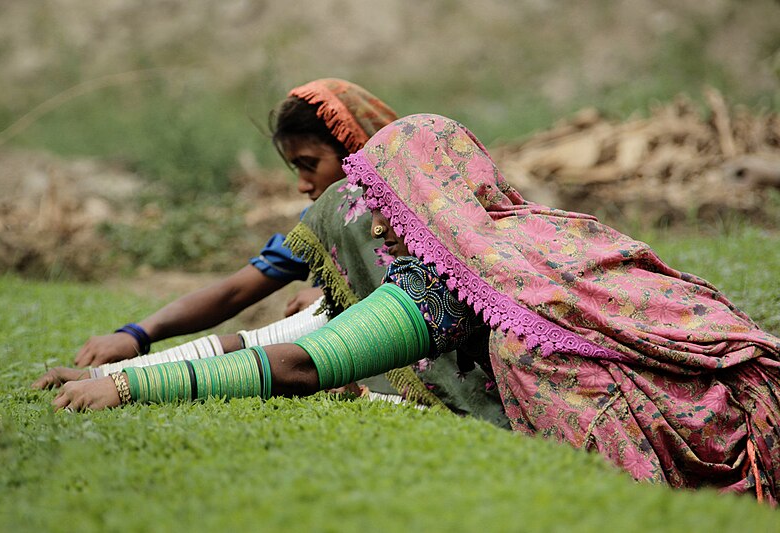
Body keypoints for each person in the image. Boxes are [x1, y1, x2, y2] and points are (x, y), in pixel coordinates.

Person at [45, 114, 780, 502]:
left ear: (420, 194)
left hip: (688, 437)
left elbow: (305, 362)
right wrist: (144, 343)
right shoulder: (535, 231)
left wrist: (133, 383)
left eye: (388, 197)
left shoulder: (444, 281)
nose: (380, 219)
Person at [71, 78, 397, 368]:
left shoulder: (416, 218)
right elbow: (234, 292)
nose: (302, 184)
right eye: (295, 168)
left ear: (355, 150)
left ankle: (127, 380)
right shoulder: (320, 227)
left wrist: (341, 303)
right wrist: (138, 334)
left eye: (310, 165)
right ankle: (124, 379)